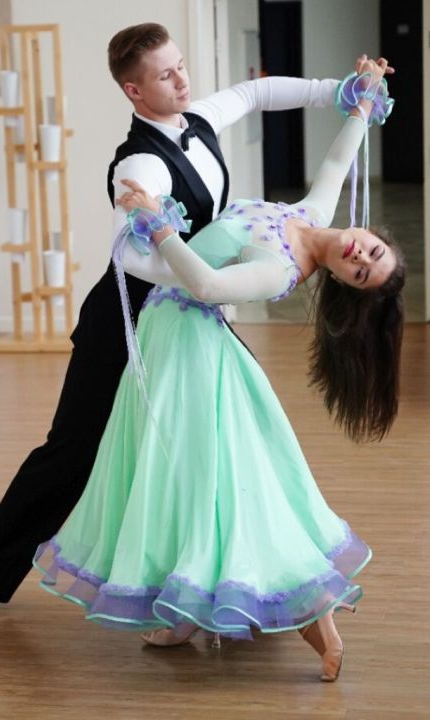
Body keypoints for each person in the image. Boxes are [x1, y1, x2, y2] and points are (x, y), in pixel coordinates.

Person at [0, 23, 356, 620]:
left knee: (237, 435)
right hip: (126, 321)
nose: (182, 80)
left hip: (188, 315)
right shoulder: (141, 164)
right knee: (72, 451)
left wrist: (337, 91)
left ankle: (232, 583)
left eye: (181, 66)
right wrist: (209, 276)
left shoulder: (195, 119)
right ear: (134, 91)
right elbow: (130, 256)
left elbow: (255, 93)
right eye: (166, 75)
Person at [33, 57, 404, 683]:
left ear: (345, 283)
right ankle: (188, 613)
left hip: (187, 347)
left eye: (361, 271)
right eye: (371, 249)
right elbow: (338, 160)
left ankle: (276, 618)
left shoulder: (281, 266)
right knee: (194, 483)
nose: (357, 255)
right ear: (370, 232)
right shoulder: (310, 215)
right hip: (175, 340)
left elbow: (205, 286)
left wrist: (159, 226)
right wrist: (363, 102)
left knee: (193, 480)